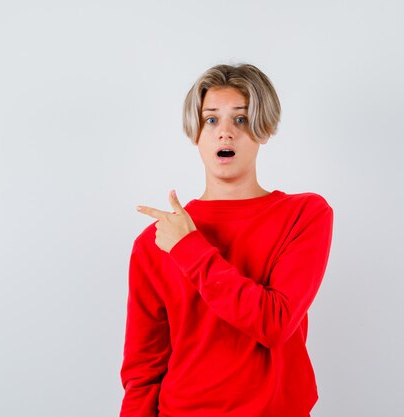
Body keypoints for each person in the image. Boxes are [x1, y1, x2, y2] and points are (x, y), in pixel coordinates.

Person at [119, 63, 333, 417]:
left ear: (264, 130)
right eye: (211, 120)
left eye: (241, 119)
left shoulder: (304, 215)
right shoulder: (155, 241)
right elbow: (143, 370)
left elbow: (274, 323)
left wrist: (189, 249)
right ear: (195, 133)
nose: (225, 133)